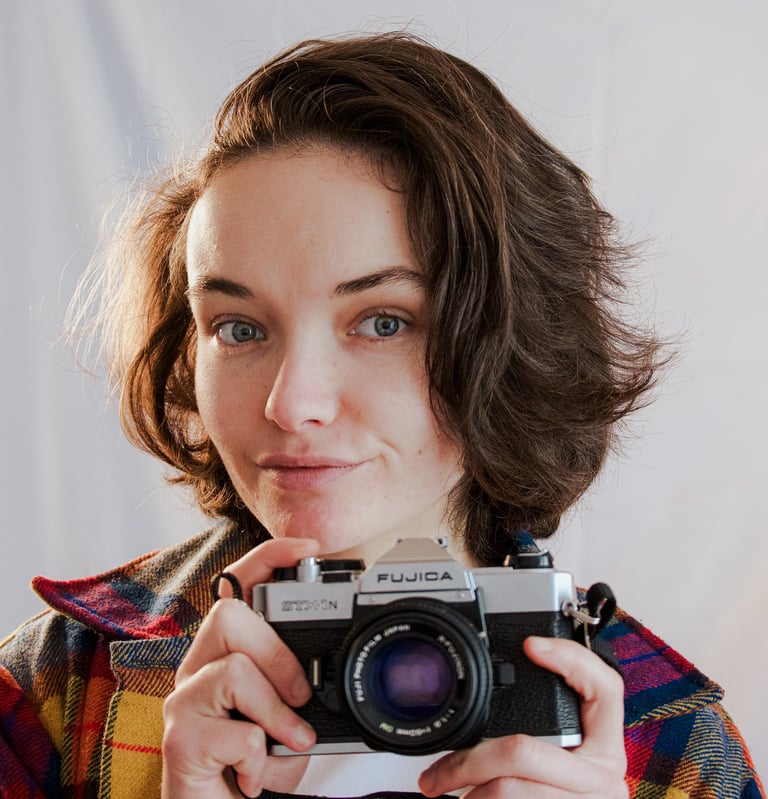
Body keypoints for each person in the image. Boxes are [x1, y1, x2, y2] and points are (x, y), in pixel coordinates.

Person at [0, 31, 763, 799]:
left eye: (384, 321)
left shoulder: (666, 748)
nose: (291, 403)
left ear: (511, 343)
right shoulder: (55, 693)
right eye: (238, 328)